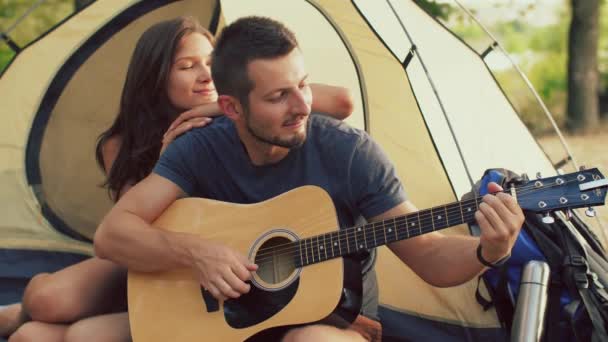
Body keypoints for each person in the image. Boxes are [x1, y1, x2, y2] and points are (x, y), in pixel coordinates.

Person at [93, 16, 525, 342]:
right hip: (229, 322)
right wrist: (197, 253)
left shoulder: (351, 153)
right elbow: (114, 234)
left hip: (335, 322)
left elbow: (428, 256)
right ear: (231, 108)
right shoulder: (197, 148)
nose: (301, 106)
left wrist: (490, 249)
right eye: (278, 96)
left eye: (302, 85)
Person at [0, 16, 353, 342]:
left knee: (42, 337)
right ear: (155, 77)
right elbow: (136, 225)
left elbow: (341, 101)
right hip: (151, 255)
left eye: (212, 63)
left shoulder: (244, 116)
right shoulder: (121, 142)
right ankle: (17, 314)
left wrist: (222, 105)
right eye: (187, 66)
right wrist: (165, 157)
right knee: (45, 301)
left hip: (215, 267)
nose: (206, 75)